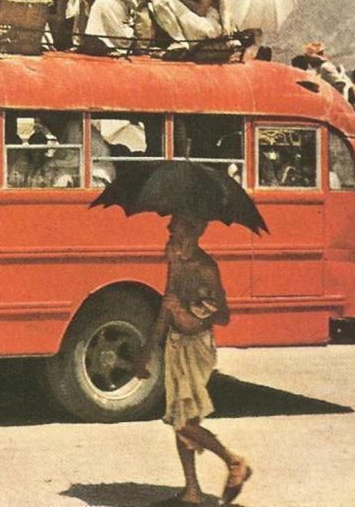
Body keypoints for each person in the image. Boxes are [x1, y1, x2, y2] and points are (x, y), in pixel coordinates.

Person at [135, 215, 251, 506]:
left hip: (197, 346)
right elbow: (165, 309)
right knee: (181, 417)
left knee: (183, 420)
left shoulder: (205, 268)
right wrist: (146, 353)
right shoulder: (175, 260)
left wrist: (186, 311)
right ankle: (192, 491)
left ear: (194, 231)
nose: (169, 231)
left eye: (176, 227)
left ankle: (234, 461)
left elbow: (222, 315)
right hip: (175, 344)